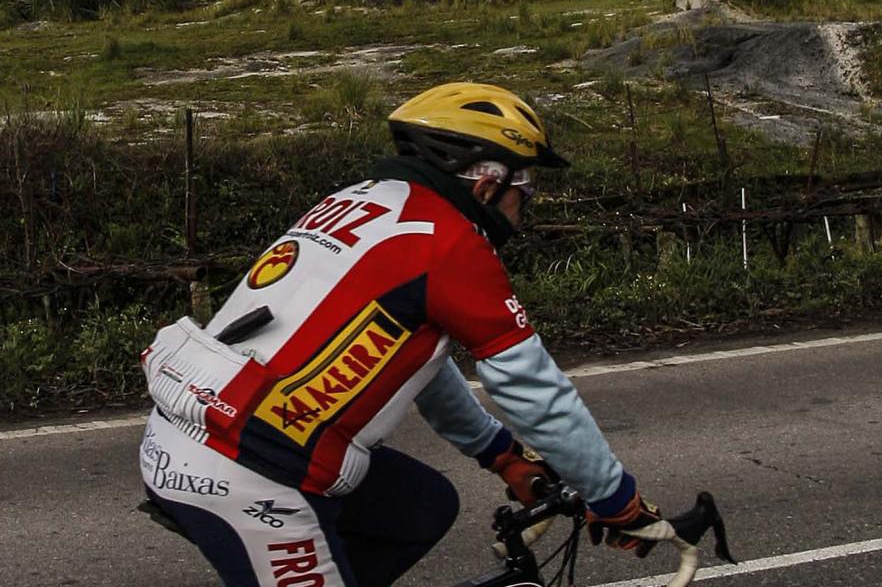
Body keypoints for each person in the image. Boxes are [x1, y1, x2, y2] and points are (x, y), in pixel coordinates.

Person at [139, 82, 682, 587]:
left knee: (422, 508)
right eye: (526, 185)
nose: (527, 203)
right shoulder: (451, 244)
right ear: (488, 182)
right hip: (252, 470)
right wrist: (614, 498)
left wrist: (501, 454)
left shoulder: (362, 200)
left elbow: (416, 360)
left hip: (195, 430)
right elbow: (537, 392)